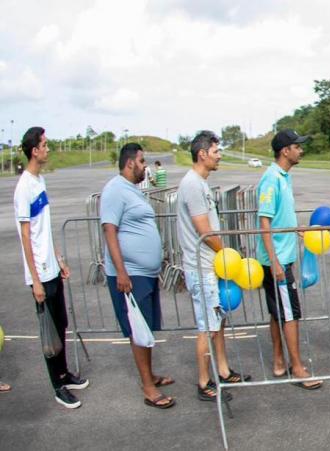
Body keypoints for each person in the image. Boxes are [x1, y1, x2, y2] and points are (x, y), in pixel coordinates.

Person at [14, 126, 86, 408]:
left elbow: (43, 230)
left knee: (62, 323)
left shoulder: (39, 180)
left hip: (51, 267)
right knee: (50, 332)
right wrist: (36, 280)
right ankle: (58, 387)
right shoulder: (24, 188)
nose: (48, 149)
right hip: (39, 274)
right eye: (44, 145)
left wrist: (58, 258)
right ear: (35, 150)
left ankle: (65, 373)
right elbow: (25, 236)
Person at [177, 130, 250, 402]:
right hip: (202, 267)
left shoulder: (201, 183)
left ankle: (223, 370)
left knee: (217, 322)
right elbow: (203, 231)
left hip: (211, 267)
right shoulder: (193, 184)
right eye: (216, 151)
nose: (220, 155)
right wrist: (230, 256)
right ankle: (204, 382)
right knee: (207, 326)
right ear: (202, 154)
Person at [100, 143, 174, 409]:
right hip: (130, 274)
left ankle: (149, 375)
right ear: (130, 163)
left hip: (145, 273)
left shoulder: (133, 190)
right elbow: (110, 231)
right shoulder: (114, 190)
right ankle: (148, 387)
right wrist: (121, 272)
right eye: (142, 161)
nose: (145, 166)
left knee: (146, 328)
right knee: (138, 330)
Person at [256, 130, 322, 390]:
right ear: (285, 151)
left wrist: (297, 229)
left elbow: (280, 216)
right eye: (297, 146)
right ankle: (297, 367)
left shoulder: (283, 177)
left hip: (282, 256)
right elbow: (264, 222)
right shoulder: (271, 179)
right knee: (290, 314)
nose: (300, 150)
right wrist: (274, 262)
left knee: (278, 313)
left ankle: (279, 359)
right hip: (277, 260)